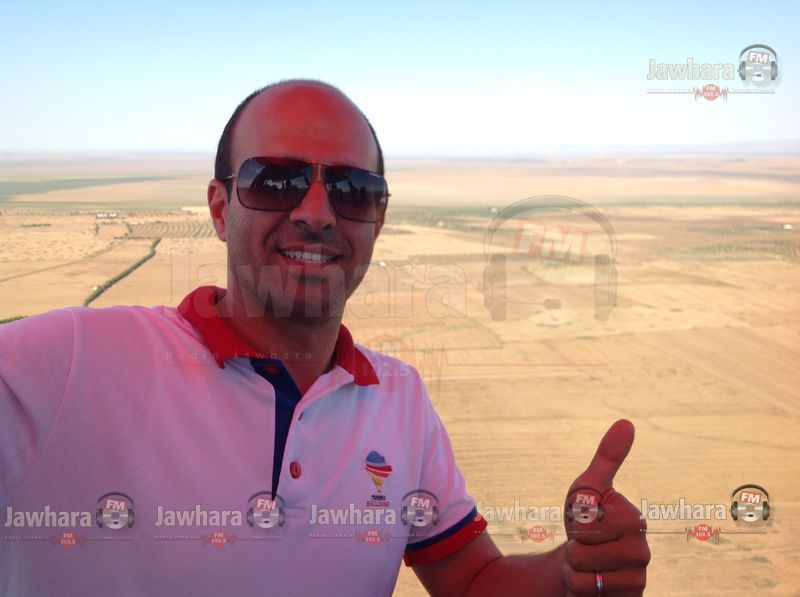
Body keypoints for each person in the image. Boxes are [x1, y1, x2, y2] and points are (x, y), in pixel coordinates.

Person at [0, 79, 648, 596]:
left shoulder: (399, 399)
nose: (316, 213)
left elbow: (473, 579)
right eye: (276, 181)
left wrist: (567, 574)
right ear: (221, 209)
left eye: (351, 190)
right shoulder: (71, 362)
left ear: (378, 219)